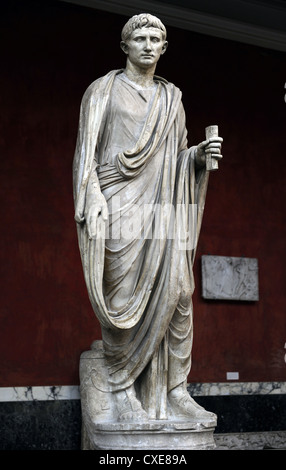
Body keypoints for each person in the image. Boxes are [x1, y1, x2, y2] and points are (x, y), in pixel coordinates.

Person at [73, 13, 222, 422]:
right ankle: (122, 392)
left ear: (164, 47)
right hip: (119, 204)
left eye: (156, 38)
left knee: (178, 295)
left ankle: (176, 390)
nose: (148, 44)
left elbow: (176, 155)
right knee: (122, 301)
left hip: (162, 207)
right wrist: (92, 196)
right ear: (125, 46)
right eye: (139, 37)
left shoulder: (171, 100)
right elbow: (86, 156)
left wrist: (197, 158)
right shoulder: (102, 91)